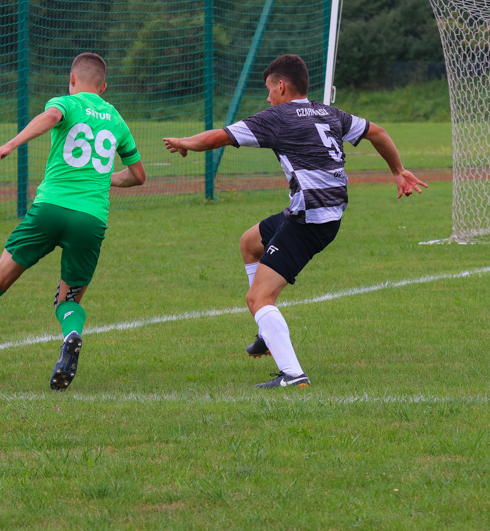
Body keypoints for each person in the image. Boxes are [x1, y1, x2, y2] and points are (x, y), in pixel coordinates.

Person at [163, 54, 427, 388]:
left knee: (258, 299)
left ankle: (292, 374)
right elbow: (378, 132)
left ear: (282, 85)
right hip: (323, 213)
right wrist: (398, 170)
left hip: (309, 220)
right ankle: (265, 334)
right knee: (250, 243)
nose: (268, 97)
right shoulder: (328, 112)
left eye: (270, 90)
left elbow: (220, 136)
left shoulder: (278, 116)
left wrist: (184, 142)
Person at [0, 53, 146, 390]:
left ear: (72, 79)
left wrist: (10, 145)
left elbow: (50, 116)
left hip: (49, 210)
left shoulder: (65, 102)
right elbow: (138, 176)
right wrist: (103, 178)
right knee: (68, 300)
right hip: (90, 219)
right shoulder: (117, 120)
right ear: (104, 87)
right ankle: (72, 334)